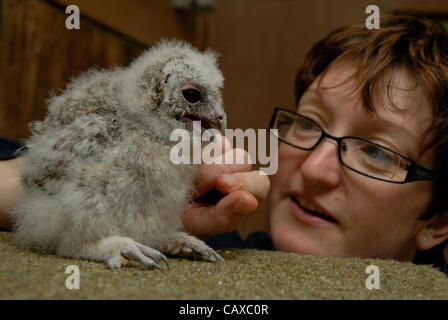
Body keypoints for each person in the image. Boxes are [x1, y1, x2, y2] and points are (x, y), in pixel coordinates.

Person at [1, 14, 447, 273]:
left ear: (439, 223)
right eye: (309, 123)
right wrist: (58, 177)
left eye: (377, 151)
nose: (314, 169)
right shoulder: (216, 237)